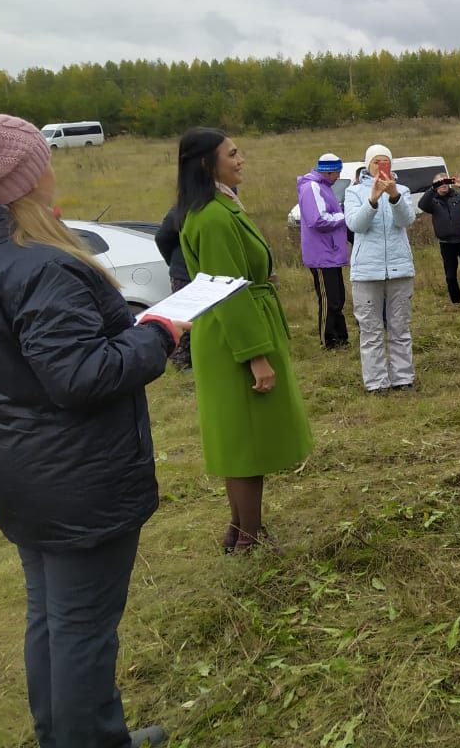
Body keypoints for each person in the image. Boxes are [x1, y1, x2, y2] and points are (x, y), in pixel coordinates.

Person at [0, 113, 182, 748]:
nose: (53, 167)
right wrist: (159, 335)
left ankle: (74, 736)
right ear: (20, 180)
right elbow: (81, 378)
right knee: (82, 626)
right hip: (76, 479)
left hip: (14, 472)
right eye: (41, 161)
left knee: (52, 618)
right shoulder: (38, 267)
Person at [177, 127, 314, 552]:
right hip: (235, 336)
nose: (241, 160)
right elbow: (229, 290)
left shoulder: (218, 207)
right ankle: (250, 539)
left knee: (238, 439)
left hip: (230, 332)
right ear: (207, 164)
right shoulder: (216, 217)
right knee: (245, 444)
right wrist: (255, 356)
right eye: (232, 154)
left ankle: (240, 530)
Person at [344, 144, 419, 391]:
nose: (380, 166)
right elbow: (356, 225)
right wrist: (373, 199)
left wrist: (394, 195)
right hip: (366, 271)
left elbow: (406, 220)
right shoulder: (354, 192)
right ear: (367, 165)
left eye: (385, 161)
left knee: (399, 326)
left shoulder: (403, 190)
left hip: (399, 268)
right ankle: (376, 382)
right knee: (371, 329)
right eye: (376, 161)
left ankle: (403, 378)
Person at [296, 152, 351, 349]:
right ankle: (328, 340)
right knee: (329, 299)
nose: (338, 177)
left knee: (338, 298)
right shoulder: (312, 187)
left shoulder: (323, 187)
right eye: (338, 172)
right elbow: (317, 220)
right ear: (330, 172)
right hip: (321, 254)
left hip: (332, 252)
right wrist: (345, 217)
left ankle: (341, 337)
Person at [417, 170, 460, 304]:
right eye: (439, 182)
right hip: (446, 244)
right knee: (451, 275)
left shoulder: (459, 197)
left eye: (446, 181)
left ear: (450, 183)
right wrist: (432, 189)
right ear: (435, 185)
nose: (443, 185)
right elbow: (421, 205)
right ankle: (456, 302)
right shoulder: (433, 202)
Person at [156, 204, 194, 368]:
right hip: (184, 273)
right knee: (184, 316)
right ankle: (182, 362)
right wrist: (173, 261)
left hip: (212, 275)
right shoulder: (184, 206)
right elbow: (162, 238)